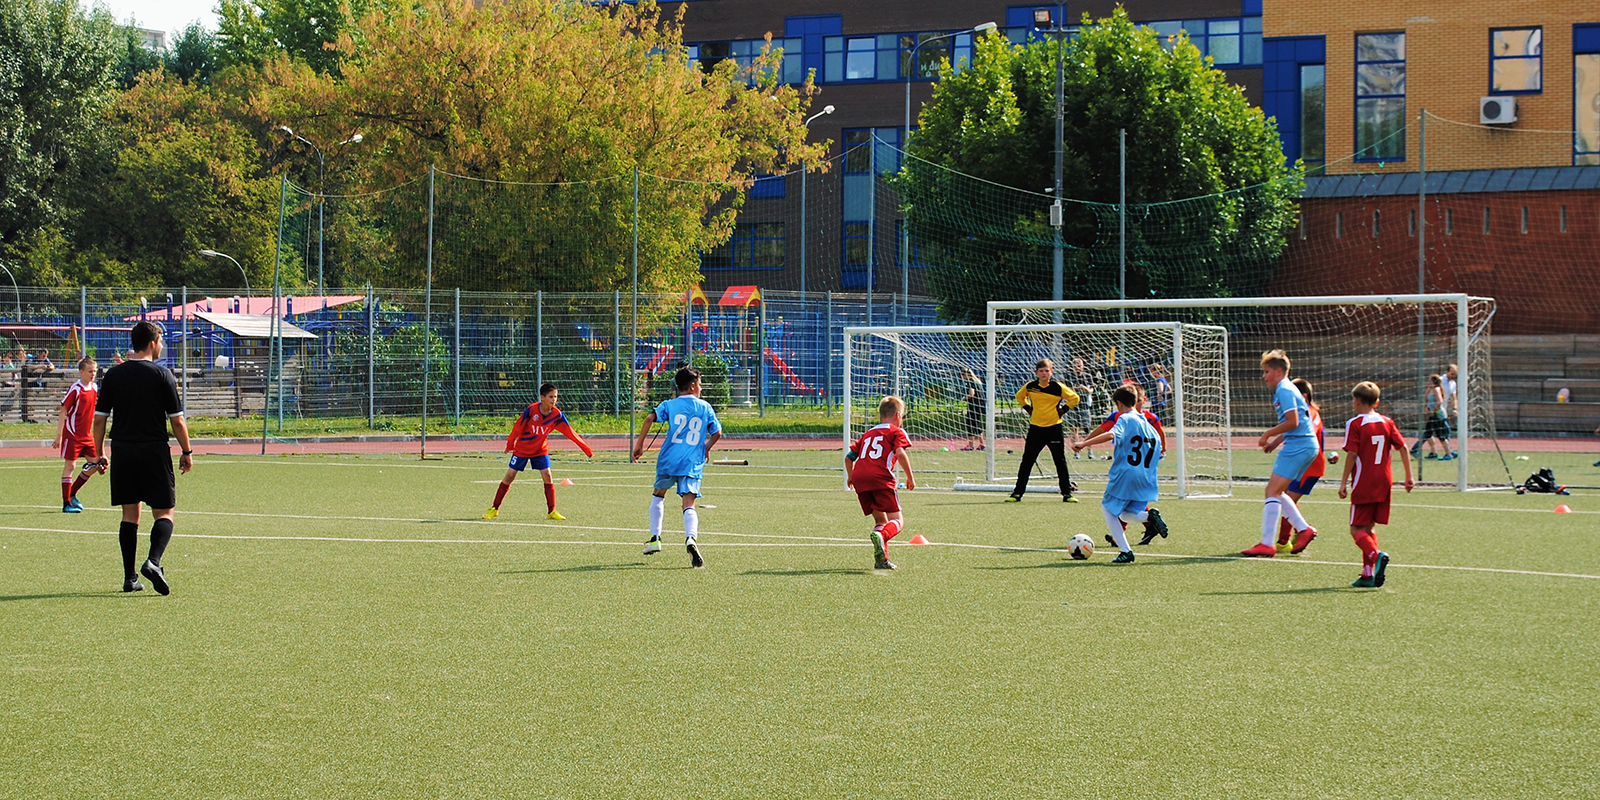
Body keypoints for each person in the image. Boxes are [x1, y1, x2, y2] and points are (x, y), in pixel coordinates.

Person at [92, 321, 193, 595]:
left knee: (130, 513)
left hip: (123, 451)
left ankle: (130, 577)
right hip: (153, 451)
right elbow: (178, 421)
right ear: (151, 343)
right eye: (160, 341)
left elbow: (99, 420)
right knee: (165, 512)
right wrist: (186, 451)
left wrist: (99, 451)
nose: (162, 346)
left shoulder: (113, 375)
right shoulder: (163, 375)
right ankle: (154, 562)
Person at [632, 366, 722, 568]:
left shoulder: (669, 405)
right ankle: (691, 539)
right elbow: (717, 433)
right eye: (700, 384)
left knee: (658, 495)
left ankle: (655, 538)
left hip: (668, 459)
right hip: (691, 462)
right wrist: (705, 448)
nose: (701, 388)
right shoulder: (705, 407)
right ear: (692, 386)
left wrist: (639, 446)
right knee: (688, 504)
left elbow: (649, 419)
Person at [1073, 385, 1166, 564]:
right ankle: (1149, 517)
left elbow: (1110, 435)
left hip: (1126, 475)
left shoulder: (1125, 418)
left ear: (1119, 403)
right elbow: (1157, 450)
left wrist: (1084, 444)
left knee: (1108, 509)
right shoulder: (1147, 423)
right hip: (1146, 476)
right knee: (1126, 514)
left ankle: (1126, 551)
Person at [1241, 350, 1319, 557]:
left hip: (1299, 446)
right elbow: (1299, 422)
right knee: (1278, 492)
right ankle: (1304, 529)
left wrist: (1268, 433)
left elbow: (1293, 422)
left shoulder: (1284, 389)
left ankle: (1268, 543)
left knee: (1271, 492)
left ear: (1278, 371)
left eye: (1267, 371)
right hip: (1303, 444)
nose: (1264, 376)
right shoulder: (1287, 388)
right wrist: (1276, 441)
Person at [1338, 381, 1413, 588]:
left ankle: (1376, 555)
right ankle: (1368, 573)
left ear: (1355, 401)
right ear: (1377, 402)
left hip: (1364, 481)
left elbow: (1352, 454)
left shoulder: (1355, 423)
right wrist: (1408, 476)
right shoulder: (1387, 422)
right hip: (1384, 481)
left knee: (1356, 529)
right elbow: (1404, 447)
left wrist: (1343, 482)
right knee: (1369, 528)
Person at [482, 383, 594, 521]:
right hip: (522, 449)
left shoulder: (557, 415)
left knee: (547, 475)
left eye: (555, 397)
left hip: (540, 449)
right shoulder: (531, 411)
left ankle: (551, 511)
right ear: (542, 397)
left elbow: (570, 432)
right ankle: (494, 508)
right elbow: (518, 426)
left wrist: (586, 449)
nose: (554, 400)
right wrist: (511, 443)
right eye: (551, 397)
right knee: (510, 476)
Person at [846, 395, 916, 570]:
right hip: (880, 478)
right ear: (898, 416)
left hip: (860, 479)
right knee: (897, 521)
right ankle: (882, 536)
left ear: (880, 416)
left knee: (880, 521)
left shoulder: (868, 433)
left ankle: (881, 559)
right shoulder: (896, 432)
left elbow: (849, 457)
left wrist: (850, 476)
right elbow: (900, 453)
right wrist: (910, 477)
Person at [1263, 378, 1331, 554]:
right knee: (1282, 496)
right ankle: (1297, 533)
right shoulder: (1303, 411)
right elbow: (1291, 429)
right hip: (1304, 463)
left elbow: (1307, 428)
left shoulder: (1311, 412)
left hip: (1310, 466)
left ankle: (1285, 541)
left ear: (1304, 396)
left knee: (1283, 497)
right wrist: (1275, 442)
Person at [1007, 358, 1080, 503]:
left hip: (1054, 428)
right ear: (1037, 373)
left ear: (1052, 372)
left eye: (1047, 371)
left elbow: (1075, 398)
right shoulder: (1030, 386)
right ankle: (1017, 493)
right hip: (1036, 429)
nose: (1044, 374)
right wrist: (1028, 408)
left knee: (1059, 461)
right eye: (1041, 371)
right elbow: (1019, 396)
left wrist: (1062, 410)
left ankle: (1067, 493)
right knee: (1027, 460)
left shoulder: (1058, 387)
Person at [53, 357, 103, 512]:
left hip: (87, 435)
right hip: (73, 434)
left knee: (97, 464)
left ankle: (72, 493)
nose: (93, 374)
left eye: (94, 371)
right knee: (70, 465)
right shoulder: (76, 389)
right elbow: (63, 410)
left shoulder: (94, 387)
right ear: (81, 372)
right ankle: (66, 503)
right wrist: (59, 435)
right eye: (90, 371)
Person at [1417, 374, 1455, 460]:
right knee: (1429, 433)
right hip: (1432, 415)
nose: (1428, 382)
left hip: (1438, 415)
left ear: (1433, 381)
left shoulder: (1437, 389)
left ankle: (1449, 454)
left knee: (1440, 435)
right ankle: (1433, 453)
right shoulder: (1431, 389)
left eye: (1429, 380)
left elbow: (1439, 401)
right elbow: (1426, 397)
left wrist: (1433, 410)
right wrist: (1426, 407)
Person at [959, 367, 983, 451]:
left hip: (973, 406)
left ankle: (970, 445)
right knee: (977, 425)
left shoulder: (970, 382)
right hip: (979, 406)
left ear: (965, 375)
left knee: (970, 424)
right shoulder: (977, 381)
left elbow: (972, 393)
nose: (962, 377)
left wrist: (965, 398)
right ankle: (982, 444)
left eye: (962, 375)